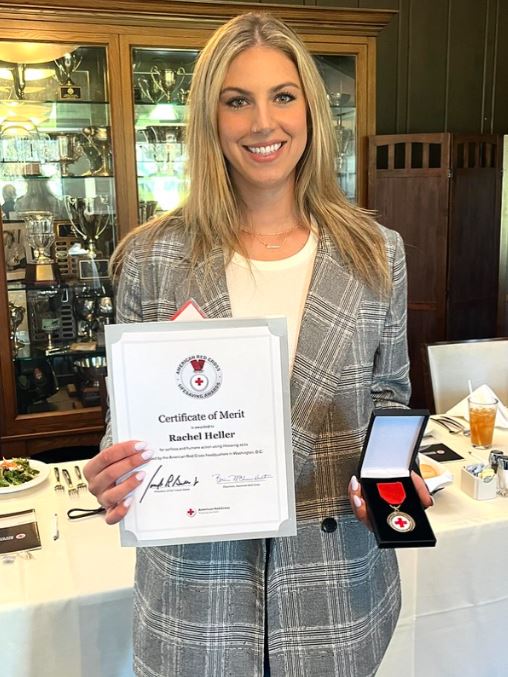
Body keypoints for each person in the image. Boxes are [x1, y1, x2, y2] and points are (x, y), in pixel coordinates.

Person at [84, 12, 432, 677]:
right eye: (236, 100)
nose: (262, 123)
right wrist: (110, 469)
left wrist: (390, 486)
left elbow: (389, 395)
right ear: (210, 120)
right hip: (194, 604)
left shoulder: (376, 254)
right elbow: (125, 425)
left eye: (282, 95)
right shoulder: (151, 258)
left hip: (338, 596)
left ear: (311, 110)